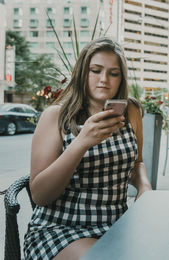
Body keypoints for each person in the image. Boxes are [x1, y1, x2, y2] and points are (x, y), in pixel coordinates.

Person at [23, 37, 152, 259]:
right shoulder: (56, 116)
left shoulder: (130, 111)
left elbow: (136, 162)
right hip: (61, 229)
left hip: (116, 225)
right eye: (96, 70)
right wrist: (81, 143)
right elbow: (40, 195)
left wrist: (144, 186)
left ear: (121, 79)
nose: (104, 79)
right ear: (83, 72)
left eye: (113, 73)